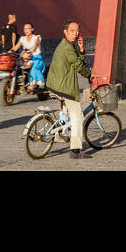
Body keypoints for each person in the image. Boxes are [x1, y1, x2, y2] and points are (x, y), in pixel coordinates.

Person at [46, 19, 93, 159]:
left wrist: (82, 50)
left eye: (77, 31)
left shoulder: (67, 45)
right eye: (72, 31)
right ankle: (76, 150)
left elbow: (77, 61)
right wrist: (90, 74)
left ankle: (60, 132)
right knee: (78, 116)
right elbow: (79, 66)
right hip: (63, 87)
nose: (75, 33)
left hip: (55, 84)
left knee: (67, 113)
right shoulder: (67, 47)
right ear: (65, 32)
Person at [18, 22, 46, 91]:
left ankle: (39, 83)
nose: (26, 30)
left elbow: (35, 46)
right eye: (24, 29)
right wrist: (9, 51)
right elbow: (16, 47)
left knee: (33, 68)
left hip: (36, 58)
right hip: (26, 58)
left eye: (28, 28)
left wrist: (31, 51)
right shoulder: (22, 39)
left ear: (32, 29)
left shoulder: (36, 38)